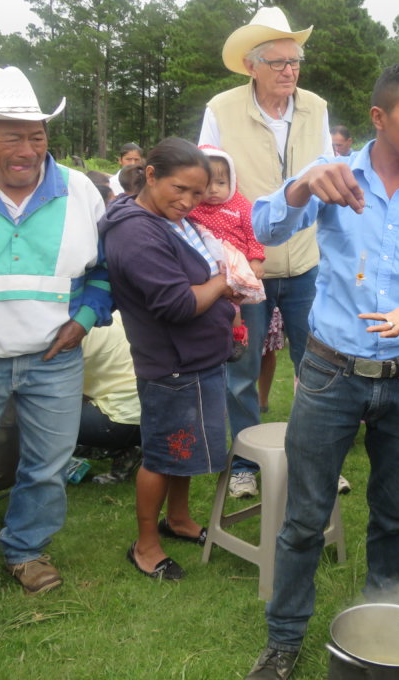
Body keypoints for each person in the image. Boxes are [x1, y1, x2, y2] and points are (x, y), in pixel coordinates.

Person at [244, 61, 399, 680]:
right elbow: (263, 227)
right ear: (380, 117)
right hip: (329, 374)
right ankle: (284, 639)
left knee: (396, 512)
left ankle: (383, 629)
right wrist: (301, 186)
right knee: (304, 517)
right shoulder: (333, 176)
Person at [0, 66, 111, 611]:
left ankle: (27, 550)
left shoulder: (81, 190)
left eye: (37, 135)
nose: (28, 150)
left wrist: (84, 319)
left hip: (54, 358)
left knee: (47, 466)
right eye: (12, 137)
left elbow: (106, 269)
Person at [199, 6, 333, 499]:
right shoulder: (221, 108)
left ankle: (313, 460)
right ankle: (245, 466)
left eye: (295, 61)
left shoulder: (316, 107)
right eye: (277, 62)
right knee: (241, 367)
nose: (289, 71)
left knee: (317, 364)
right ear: (251, 65)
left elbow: (327, 171)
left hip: (306, 260)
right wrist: (225, 256)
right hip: (244, 267)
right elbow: (204, 179)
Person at [100, 138, 238, 580]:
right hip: (171, 365)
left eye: (198, 193)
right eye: (180, 189)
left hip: (199, 357)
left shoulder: (170, 219)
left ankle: (177, 519)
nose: (189, 201)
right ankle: (145, 545)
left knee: (187, 447)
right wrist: (224, 282)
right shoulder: (135, 232)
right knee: (163, 454)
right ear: (151, 174)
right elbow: (177, 304)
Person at [188, 146, 266, 359]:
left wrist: (256, 260)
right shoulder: (193, 208)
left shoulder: (241, 205)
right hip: (207, 268)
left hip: (237, 264)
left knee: (235, 299)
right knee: (214, 304)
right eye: (207, 184)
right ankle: (219, 337)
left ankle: (237, 336)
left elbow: (254, 235)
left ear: (232, 181)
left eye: (221, 183)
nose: (213, 190)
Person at [76, 312, 142, 485]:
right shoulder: (113, 312)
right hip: (154, 411)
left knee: (36, 417)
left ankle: (118, 450)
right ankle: (131, 448)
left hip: (121, 416)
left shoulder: (72, 333)